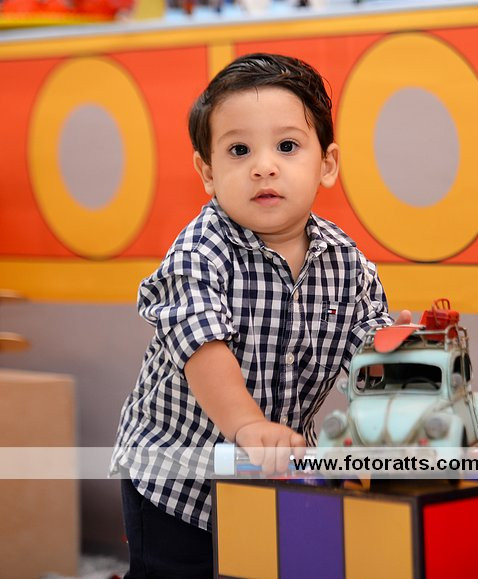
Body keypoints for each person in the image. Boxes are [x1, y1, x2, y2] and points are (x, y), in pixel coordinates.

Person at [110, 53, 410, 578]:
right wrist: (247, 424)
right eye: (239, 150)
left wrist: (398, 359)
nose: (264, 166)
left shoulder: (346, 262)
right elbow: (202, 349)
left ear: (327, 164)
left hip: (273, 474)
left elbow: (366, 356)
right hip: (176, 479)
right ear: (208, 172)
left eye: (287, 146)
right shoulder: (199, 252)